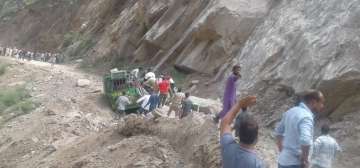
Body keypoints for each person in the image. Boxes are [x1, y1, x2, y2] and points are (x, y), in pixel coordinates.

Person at [275, 90, 325, 168]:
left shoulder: (290, 111)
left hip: (282, 161)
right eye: (321, 103)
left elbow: (278, 131)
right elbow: (305, 140)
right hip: (295, 164)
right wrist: (304, 160)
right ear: (313, 102)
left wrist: (282, 149)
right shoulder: (306, 117)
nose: (322, 106)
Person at [220, 96, 264, 168]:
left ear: (239, 133)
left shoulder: (227, 145)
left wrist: (239, 104)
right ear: (256, 138)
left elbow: (225, 123)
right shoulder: (257, 164)